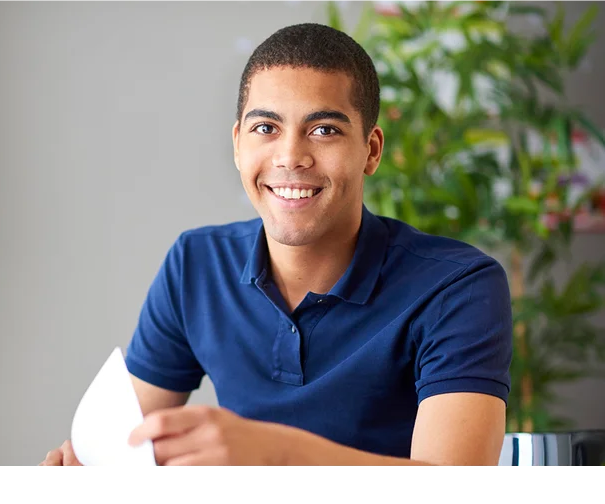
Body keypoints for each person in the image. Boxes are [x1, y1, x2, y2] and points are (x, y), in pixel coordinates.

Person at [40, 23, 512, 468]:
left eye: (324, 129)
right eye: (266, 128)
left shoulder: (458, 285)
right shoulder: (195, 265)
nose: (290, 156)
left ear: (371, 150)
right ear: (237, 144)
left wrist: (276, 453)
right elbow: (131, 444)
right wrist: (92, 459)